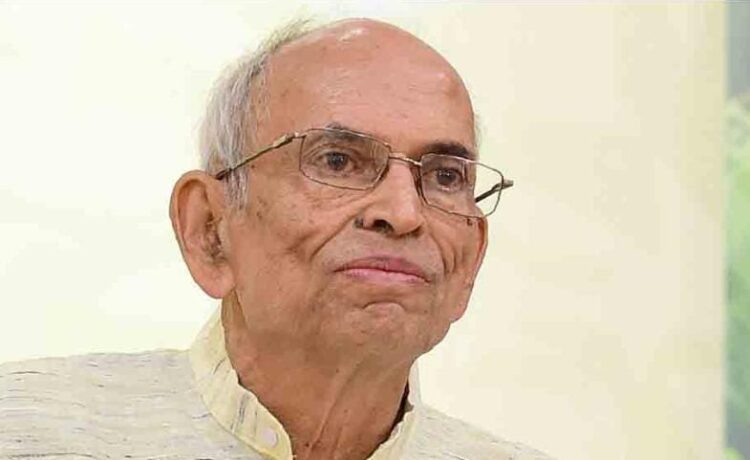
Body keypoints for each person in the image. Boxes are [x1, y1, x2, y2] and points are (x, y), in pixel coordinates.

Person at [0, 18, 552, 460]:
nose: (404, 212)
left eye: (445, 176)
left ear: (471, 259)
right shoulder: (26, 432)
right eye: (337, 161)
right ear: (210, 230)